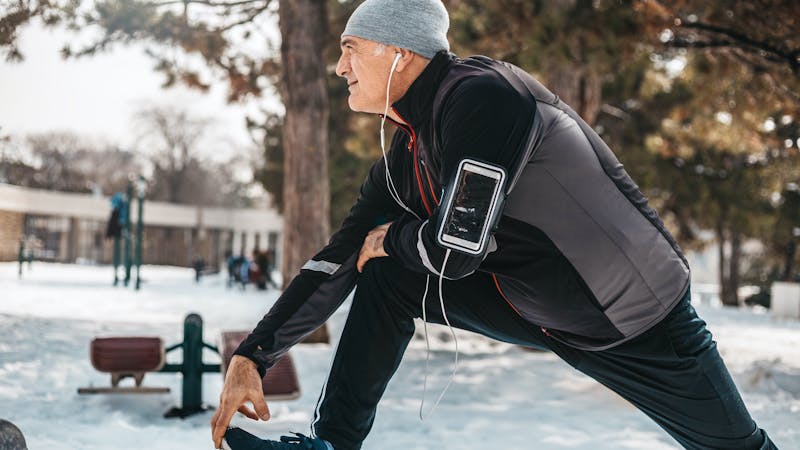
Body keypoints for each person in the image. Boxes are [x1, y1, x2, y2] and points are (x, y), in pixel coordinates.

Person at [210, 1, 777, 449]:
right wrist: (252, 356)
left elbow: (456, 250)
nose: (339, 67)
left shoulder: (485, 99)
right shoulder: (407, 156)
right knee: (387, 273)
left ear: (399, 53)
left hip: (639, 321)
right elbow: (340, 258)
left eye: (350, 49)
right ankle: (331, 445)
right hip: (540, 311)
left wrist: (397, 238)